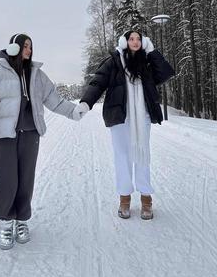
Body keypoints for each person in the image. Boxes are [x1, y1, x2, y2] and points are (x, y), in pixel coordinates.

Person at [0, 33, 84, 250]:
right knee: (7, 180)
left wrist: (74, 111)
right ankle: (5, 222)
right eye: (24, 46)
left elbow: (55, 99)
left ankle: (21, 220)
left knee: (26, 179)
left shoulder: (37, 74)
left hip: (30, 134)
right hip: (5, 136)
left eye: (30, 47)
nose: (28, 50)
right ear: (13, 47)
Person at [75, 30, 175, 220]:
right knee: (122, 157)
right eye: (131, 39)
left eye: (139, 39)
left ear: (144, 42)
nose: (135, 42)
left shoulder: (147, 62)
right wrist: (86, 102)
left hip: (142, 116)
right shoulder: (114, 61)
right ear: (125, 42)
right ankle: (125, 198)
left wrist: (152, 52)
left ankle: (146, 198)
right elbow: (97, 82)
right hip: (119, 116)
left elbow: (164, 73)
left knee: (143, 155)